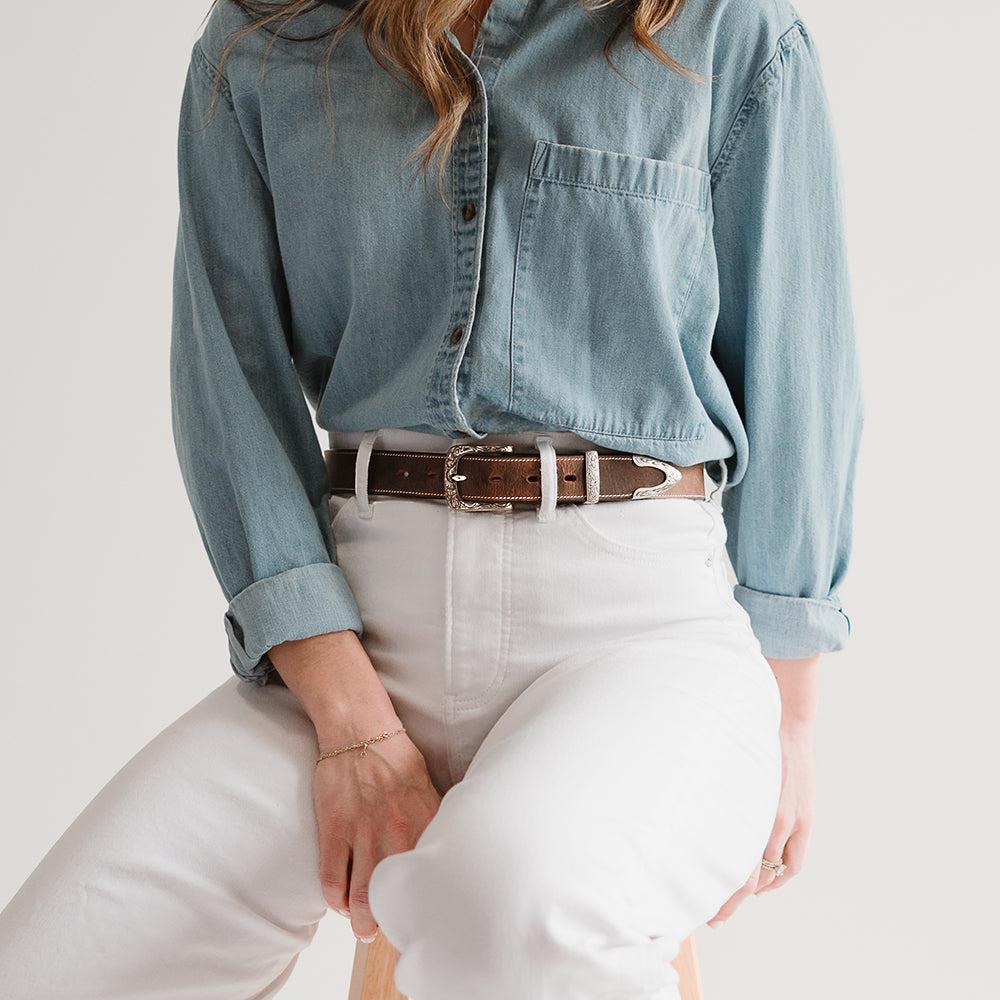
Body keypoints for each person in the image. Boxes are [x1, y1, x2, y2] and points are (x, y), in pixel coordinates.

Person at [0, 0, 864, 997]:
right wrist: (352, 724)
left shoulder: (722, 27)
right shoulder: (266, 36)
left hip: (634, 639)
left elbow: (799, 367)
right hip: (354, 648)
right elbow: (227, 387)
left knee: (509, 903)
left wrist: (786, 719)